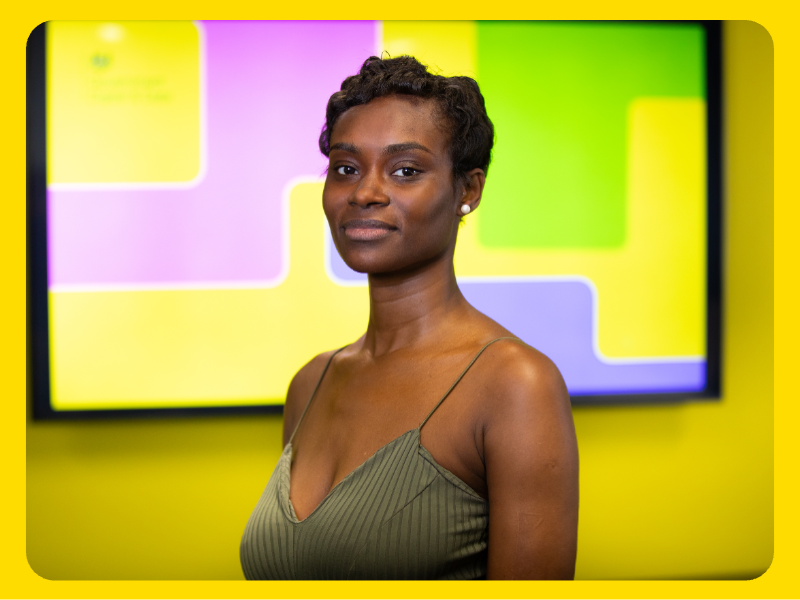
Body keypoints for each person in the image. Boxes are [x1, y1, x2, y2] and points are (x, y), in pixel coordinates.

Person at [240, 55, 579, 580]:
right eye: (346, 168)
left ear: (468, 190)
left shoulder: (514, 383)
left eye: (405, 170)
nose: (365, 193)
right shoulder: (311, 383)